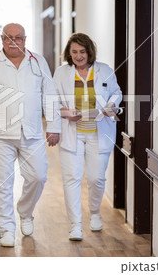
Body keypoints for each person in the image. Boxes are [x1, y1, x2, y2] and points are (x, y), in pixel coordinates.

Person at [0, 23, 61, 247]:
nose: (13, 41)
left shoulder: (37, 61)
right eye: (9, 37)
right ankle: (6, 229)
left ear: (25, 40)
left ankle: (25, 212)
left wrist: (54, 126)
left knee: (38, 176)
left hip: (32, 131)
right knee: (2, 184)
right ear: (1, 38)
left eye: (18, 37)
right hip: (0, 133)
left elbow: (50, 94)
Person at [53, 33, 122, 241]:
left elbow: (116, 93)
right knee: (72, 178)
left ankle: (94, 212)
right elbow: (52, 100)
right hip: (71, 132)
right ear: (69, 53)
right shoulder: (61, 73)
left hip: (98, 133)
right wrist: (66, 113)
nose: (78, 56)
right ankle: (75, 225)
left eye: (82, 51)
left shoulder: (104, 70)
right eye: (74, 52)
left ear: (89, 52)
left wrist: (112, 106)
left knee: (96, 178)